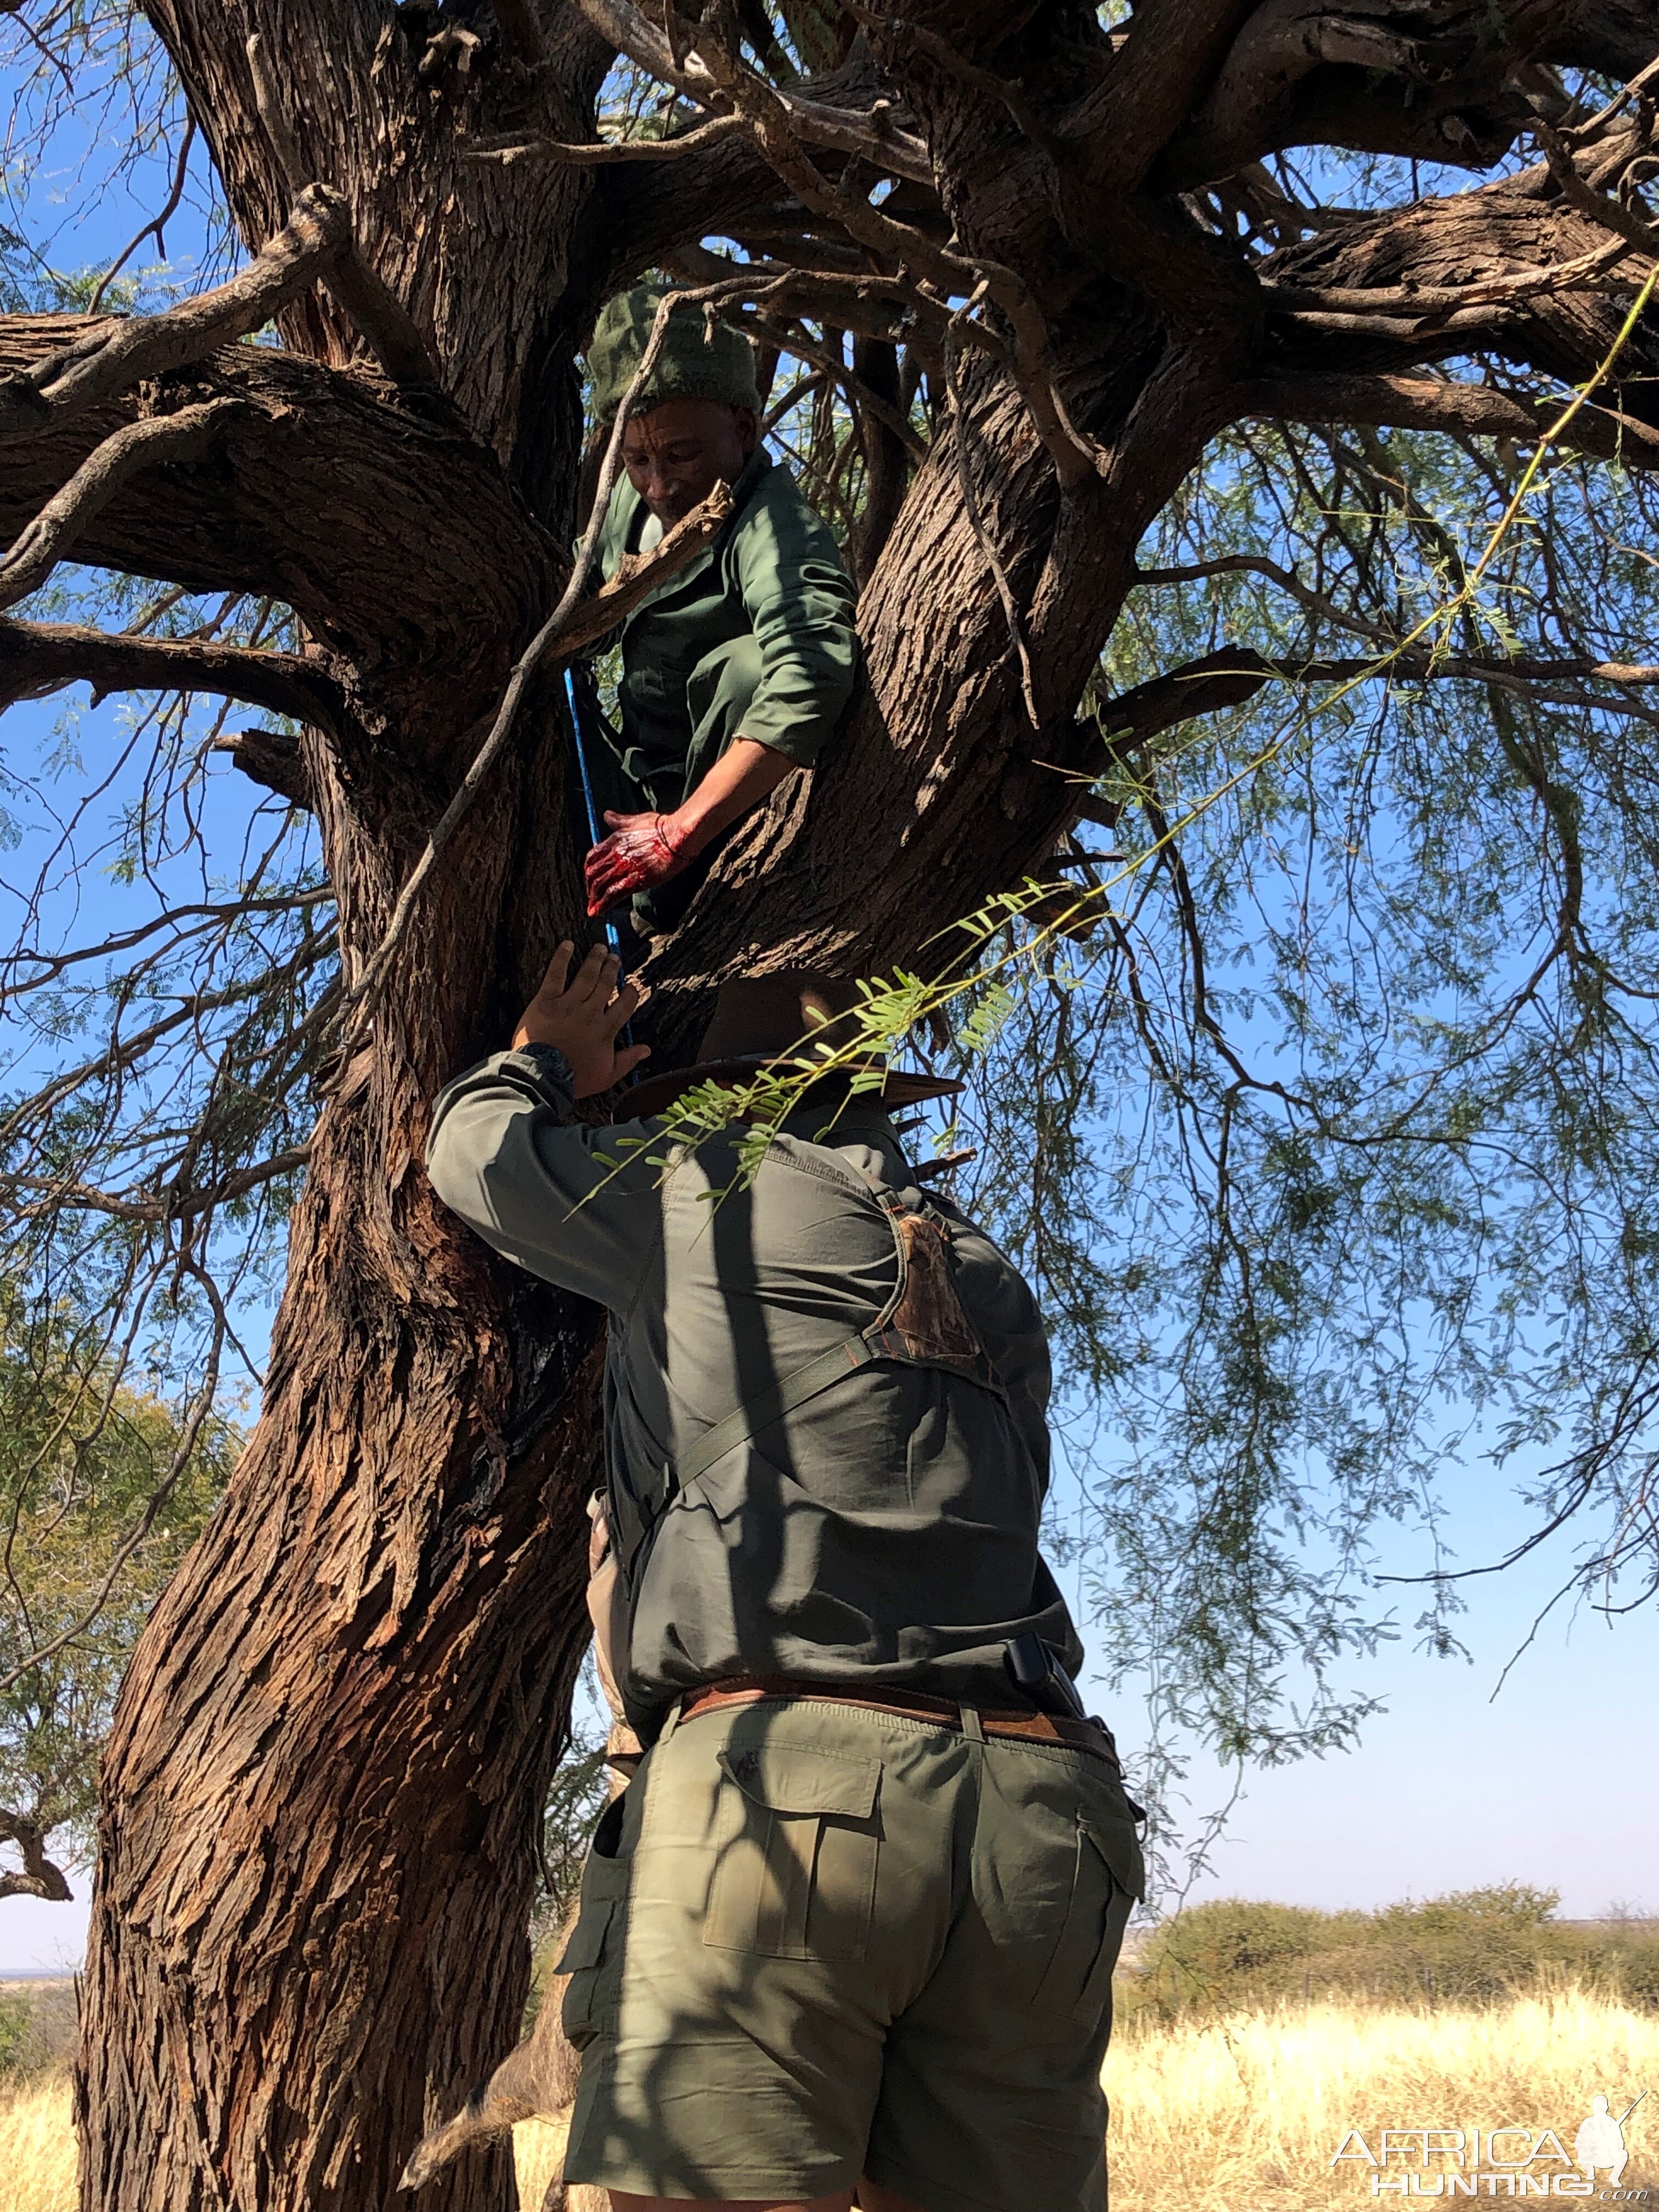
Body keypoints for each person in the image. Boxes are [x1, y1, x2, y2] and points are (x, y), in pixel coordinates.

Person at [424, 945, 1144, 2212]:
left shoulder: (703, 1187)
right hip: (1045, 1817)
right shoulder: (989, 1275)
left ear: (718, 1098)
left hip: (798, 1796)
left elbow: (474, 1156)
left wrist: (546, 1056)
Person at [578, 284, 860, 934]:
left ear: (742, 429)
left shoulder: (774, 526)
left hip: (707, 824)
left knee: (751, 667)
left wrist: (680, 834)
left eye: (681, 455)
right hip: (625, 794)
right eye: (638, 460)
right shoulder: (628, 500)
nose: (659, 484)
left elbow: (810, 671)